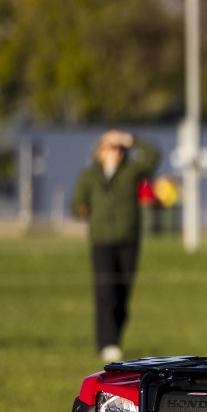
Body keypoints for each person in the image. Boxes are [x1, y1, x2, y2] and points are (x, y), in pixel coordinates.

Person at [72, 129, 160, 362]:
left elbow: (153, 156)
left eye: (120, 148)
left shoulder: (131, 172)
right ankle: (107, 342)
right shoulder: (90, 175)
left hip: (128, 239)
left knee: (122, 294)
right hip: (101, 241)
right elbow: (76, 203)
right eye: (111, 147)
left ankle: (115, 338)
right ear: (100, 150)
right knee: (105, 293)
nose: (116, 152)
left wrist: (130, 139)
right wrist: (81, 208)